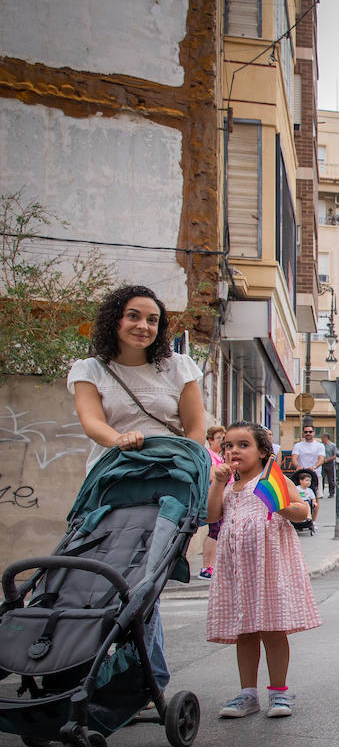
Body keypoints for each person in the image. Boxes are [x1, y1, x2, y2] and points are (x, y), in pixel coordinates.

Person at [68, 284, 207, 691]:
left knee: (146, 583)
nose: (143, 326)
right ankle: (124, 676)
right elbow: (92, 422)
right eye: (134, 316)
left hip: (169, 485)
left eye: (152, 320)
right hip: (112, 484)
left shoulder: (179, 368)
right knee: (102, 580)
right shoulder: (89, 370)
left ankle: (146, 679)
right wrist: (118, 440)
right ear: (115, 319)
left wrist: (179, 460)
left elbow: (195, 430)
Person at [205, 422, 320, 718]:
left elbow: (302, 510)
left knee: (272, 629)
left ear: (262, 452)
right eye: (228, 445)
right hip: (238, 570)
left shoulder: (274, 479)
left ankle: (279, 692)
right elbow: (211, 515)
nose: (233, 450)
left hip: (268, 566)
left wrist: (281, 506)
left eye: (243, 445)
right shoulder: (229, 486)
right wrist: (217, 482)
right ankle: (248, 694)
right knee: (244, 632)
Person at [200, 425, 227, 580]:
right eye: (219, 439)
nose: (222, 442)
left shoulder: (221, 456)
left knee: (219, 531)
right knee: (214, 531)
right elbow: (211, 476)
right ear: (210, 440)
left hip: (224, 496)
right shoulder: (209, 455)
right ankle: (206, 566)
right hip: (215, 496)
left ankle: (214, 565)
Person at [293, 469, 319, 535]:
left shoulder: (309, 490)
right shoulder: (297, 488)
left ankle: (308, 517)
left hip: (306, 502)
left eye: (310, 481)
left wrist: (314, 502)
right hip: (298, 501)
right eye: (306, 480)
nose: (308, 482)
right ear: (301, 481)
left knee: (306, 504)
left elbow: (313, 498)